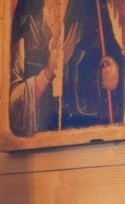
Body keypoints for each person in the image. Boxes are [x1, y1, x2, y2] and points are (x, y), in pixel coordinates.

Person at [9, 0, 123, 137]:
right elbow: (15, 110)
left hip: (86, 130)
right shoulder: (28, 13)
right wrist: (47, 73)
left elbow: (110, 50)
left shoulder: (90, 5)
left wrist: (115, 71)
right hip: (45, 138)